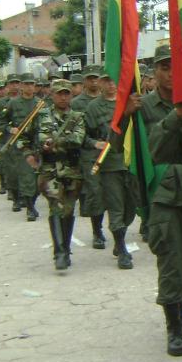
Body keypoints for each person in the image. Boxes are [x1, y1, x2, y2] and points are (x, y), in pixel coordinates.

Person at [126, 45, 182, 357]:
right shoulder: (143, 105)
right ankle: (172, 325)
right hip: (163, 194)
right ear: (154, 72)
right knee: (171, 260)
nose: (171, 73)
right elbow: (145, 147)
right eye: (164, 67)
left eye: (177, 67)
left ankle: (181, 307)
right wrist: (126, 114)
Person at [30, 79, 86, 270]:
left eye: (66, 93)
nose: (63, 97)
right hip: (50, 170)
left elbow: (78, 139)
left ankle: (66, 247)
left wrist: (55, 141)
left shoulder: (78, 116)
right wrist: (29, 154)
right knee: (55, 208)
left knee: (68, 210)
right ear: (52, 95)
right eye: (59, 93)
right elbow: (29, 137)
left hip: (72, 170)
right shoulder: (41, 115)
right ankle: (59, 252)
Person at [84, 71, 136, 270]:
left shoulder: (127, 103)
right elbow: (84, 135)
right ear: (100, 83)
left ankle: (119, 237)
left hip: (130, 162)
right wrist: (94, 143)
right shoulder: (93, 107)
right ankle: (122, 249)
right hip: (110, 164)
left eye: (114, 79)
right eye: (106, 80)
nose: (111, 84)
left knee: (130, 208)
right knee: (116, 207)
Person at [72, 64, 107, 250]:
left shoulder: (109, 100)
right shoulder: (77, 103)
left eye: (97, 77)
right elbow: (76, 131)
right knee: (95, 192)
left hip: (110, 152)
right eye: (90, 78)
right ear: (84, 80)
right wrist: (93, 143)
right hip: (90, 152)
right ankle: (97, 231)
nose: (94, 81)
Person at [2, 73, 43, 220]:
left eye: (32, 84)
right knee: (27, 176)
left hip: (38, 143)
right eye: (26, 84)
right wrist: (10, 129)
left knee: (39, 178)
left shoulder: (40, 103)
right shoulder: (13, 103)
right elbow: (1, 122)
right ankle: (30, 208)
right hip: (21, 144)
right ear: (21, 86)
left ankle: (32, 201)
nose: (29, 87)